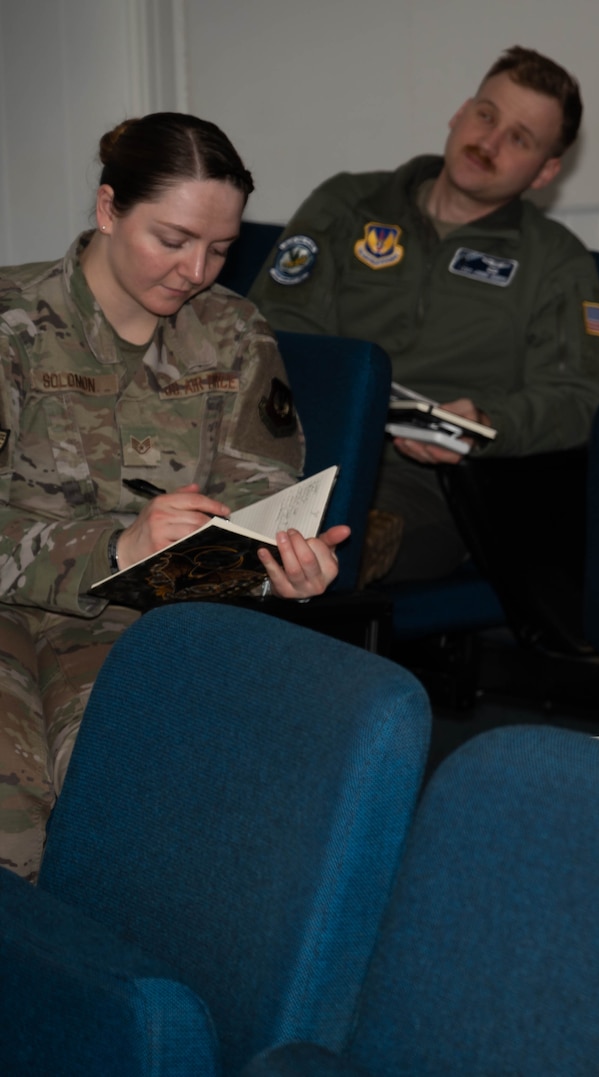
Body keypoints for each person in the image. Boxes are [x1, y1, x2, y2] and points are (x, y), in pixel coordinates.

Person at [0, 114, 347, 881]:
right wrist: (116, 546)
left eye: (220, 248)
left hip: (140, 616)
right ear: (107, 209)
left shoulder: (231, 332)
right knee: (11, 825)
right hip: (10, 605)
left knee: (140, 807)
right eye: (173, 238)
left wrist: (280, 561)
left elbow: (262, 491)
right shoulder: (12, 323)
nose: (196, 270)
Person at [251, 46, 599, 585]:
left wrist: (487, 423)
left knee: (329, 553)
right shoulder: (350, 203)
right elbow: (270, 331)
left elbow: (584, 399)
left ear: (547, 170)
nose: (488, 142)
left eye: (519, 138)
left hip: (429, 482)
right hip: (297, 450)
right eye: (486, 115)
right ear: (460, 111)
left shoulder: (556, 262)